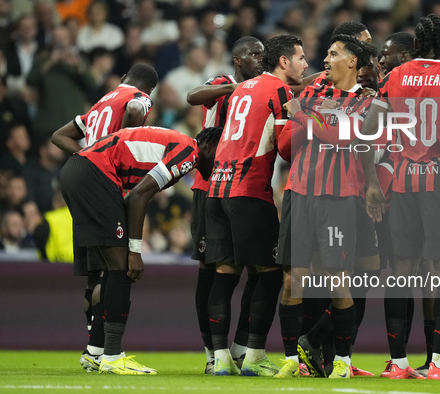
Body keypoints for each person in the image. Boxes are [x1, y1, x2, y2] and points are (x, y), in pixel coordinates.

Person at [359, 14, 440, 381]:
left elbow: (368, 129)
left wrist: (371, 183)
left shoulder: (395, 77)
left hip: (403, 184)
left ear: (415, 45)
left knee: (400, 275)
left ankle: (398, 363)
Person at [59, 125, 221, 375]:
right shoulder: (190, 152)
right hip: (94, 174)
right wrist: (135, 251)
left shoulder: (177, 144)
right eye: (221, 155)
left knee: (111, 271)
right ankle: (113, 356)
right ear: (209, 146)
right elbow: (138, 197)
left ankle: (96, 351)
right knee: (121, 268)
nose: (221, 163)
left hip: (76, 171)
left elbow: (130, 199)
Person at [274, 34, 375, 379]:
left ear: (352, 63)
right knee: (292, 279)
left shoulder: (365, 103)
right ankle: (291, 359)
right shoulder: (315, 91)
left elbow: (340, 136)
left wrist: (302, 115)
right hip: (298, 192)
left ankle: (342, 362)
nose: (326, 59)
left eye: (334, 54)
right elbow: (293, 139)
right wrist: (305, 116)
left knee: (337, 280)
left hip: (337, 198)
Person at [205, 34, 305, 377]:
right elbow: (286, 149)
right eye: (301, 58)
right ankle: (253, 356)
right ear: (283, 62)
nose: (305, 65)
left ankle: (220, 358)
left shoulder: (240, 90)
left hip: (216, 190)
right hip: (248, 190)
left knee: (225, 273)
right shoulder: (279, 92)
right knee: (273, 272)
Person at [51, 63, 158, 372]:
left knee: (96, 274)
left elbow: (60, 135)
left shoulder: (102, 102)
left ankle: (93, 346)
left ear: (123, 77)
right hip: (102, 183)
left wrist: (88, 153)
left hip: (78, 179)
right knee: (117, 268)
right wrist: (115, 148)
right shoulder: (139, 95)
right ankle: (104, 353)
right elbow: (137, 110)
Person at [186, 36, 264, 375]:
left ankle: (240, 349)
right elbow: (193, 96)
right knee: (210, 272)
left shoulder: (266, 89)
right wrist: (232, 91)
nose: (261, 59)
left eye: (264, 54)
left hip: (245, 187)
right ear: (237, 59)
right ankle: (211, 353)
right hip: (208, 187)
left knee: (257, 271)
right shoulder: (224, 83)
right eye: (254, 54)